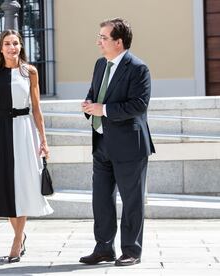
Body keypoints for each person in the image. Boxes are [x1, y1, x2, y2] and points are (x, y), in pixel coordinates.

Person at [80, 18, 155, 267]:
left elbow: (138, 105)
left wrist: (105, 109)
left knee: (131, 200)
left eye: (103, 37)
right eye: (99, 36)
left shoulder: (138, 68)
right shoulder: (100, 64)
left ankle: (131, 250)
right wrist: (89, 106)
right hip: (101, 143)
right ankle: (103, 249)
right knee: (101, 199)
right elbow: (94, 93)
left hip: (129, 146)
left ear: (118, 42)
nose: (98, 41)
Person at [0, 29, 53, 263]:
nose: (12, 47)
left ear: (21, 47)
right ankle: (19, 236)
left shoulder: (30, 72)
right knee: (6, 186)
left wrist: (43, 139)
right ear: (0, 48)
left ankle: (16, 240)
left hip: (25, 132)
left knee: (23, 185)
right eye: (7, 44)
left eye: (16, 43)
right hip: (1, 131)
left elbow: (37, 109)